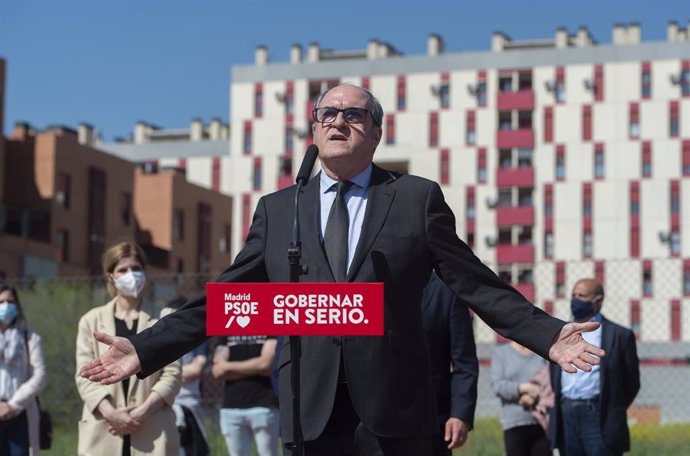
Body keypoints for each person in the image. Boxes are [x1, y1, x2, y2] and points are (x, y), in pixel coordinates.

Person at [81, 83, 605, 456]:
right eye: (327, 113)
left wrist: (548, 334)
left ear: (375, 132)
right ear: (314, 128)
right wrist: (148, 346)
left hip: (395, 407)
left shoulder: (414, 199)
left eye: (353, 114)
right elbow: (228, 299)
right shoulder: (279, 209)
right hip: (309, 405)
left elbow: (474, 281)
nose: (337, 121)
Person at [75, 241, 181, 456]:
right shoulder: (90, 321)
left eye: (136, 268)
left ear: (145, 272)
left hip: (152, 429)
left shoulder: (165, 318)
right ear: (110, 277)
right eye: (122, 270)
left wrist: (141, 412)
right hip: (103, 430)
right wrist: (111, 414)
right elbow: (84, 375)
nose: (130, 274)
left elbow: (172, 374)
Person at [548, 278, 640, 456]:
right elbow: (554, 375)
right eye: (573, 295)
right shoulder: (560, 332)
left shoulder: (620, 335)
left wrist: (612, 406)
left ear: (598, 301)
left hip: (600, 416)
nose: (575, 299)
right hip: (566, 412)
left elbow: (632, 382)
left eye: (582, 295)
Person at [421, 272, 478, 455]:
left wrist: (460, 414)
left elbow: (464, 362)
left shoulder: (446, 291)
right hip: (374, 421)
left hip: (433, 421)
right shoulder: (369, 282)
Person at [211, 335, 279, 456]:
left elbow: (266, 364)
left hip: (264, 405)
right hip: (231, 407)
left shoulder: (269, 326)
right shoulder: (226, 329)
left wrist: (228, 367)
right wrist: (255, 368)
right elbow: (218, 371)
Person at [0, 284, 46, 456]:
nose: (5, 306)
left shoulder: (30, 339)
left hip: (21, 413)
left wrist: (13, 405)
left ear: (17, 305)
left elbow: (39, 376)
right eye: (1, 301)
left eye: (10, 301)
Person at [491, 341, 551, 456]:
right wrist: (521, 388)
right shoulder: (502, 353)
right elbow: (497, 386)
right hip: (514, 424)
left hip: (542, 423)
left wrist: (535, 395)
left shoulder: (540, 350)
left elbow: (550, 380)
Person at [166, 297, 209, 456]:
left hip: (190, 405)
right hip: (164, 403)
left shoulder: (197, 339)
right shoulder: (163, 342)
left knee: (194, 450)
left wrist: (167, 374)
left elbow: (196, 369)